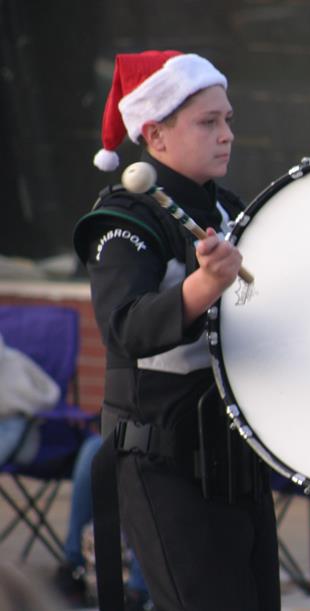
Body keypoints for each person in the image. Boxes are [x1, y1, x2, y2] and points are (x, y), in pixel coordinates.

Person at [72, 50, 280, 610]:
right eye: (208, 122)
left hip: (235, 457)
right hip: (165, 463)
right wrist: (203, 285)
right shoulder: (124, 220)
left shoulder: (230, 209)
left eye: (228, 120)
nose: (226, 135)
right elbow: (125, 328)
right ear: (154, 136)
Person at [53, 433, 151, 610]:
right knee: (95, 448)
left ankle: (139, 591)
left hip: (166, 442)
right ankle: (73, 567)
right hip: (130, 430)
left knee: (146, 459)